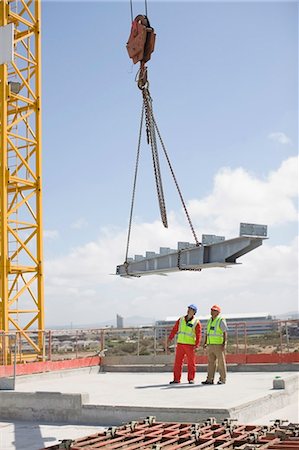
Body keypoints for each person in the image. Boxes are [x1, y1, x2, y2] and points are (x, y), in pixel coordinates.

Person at [167, 304, 202, 384]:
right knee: (178, 362)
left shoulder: (196, 322)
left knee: (191, 363)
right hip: (180, 344)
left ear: (194, 312)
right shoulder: (181, 319)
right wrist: (170, 339)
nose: (188, 310)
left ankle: (191, 379)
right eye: (188, 308)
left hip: (190, 345)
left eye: (191, 309)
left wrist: (197, 345)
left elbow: (198, 335)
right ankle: (176, 379)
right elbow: (174, 329)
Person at [202, 304, 228, 385]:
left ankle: (222, 379)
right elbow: (207, 333)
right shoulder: (209, 321)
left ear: (218, 312)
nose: (212, 312)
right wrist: (205, 342)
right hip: (210, 344)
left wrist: (224, 343)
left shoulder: (220, 320)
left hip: (218, 345)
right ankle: (210, 379)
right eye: (211, 310)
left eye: (214, 310)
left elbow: (225, 332)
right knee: (210, 363)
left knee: (221, 363)